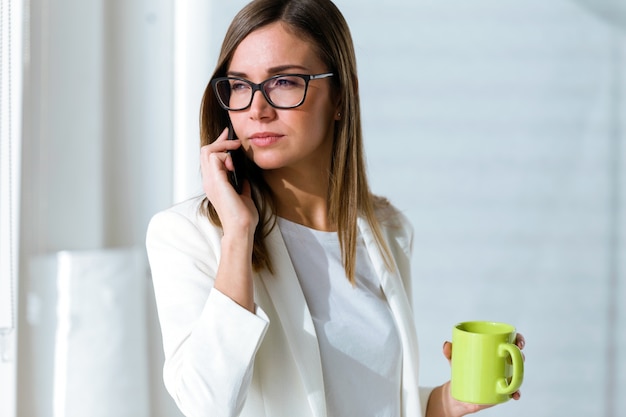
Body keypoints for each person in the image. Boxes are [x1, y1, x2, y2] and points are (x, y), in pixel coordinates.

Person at [146, 1, 525, 416]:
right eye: (239, 85)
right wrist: (238, 233)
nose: (256, 109)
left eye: (284, 82)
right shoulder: (187, 235)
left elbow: (370, 401)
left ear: (342, 96)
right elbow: (206, 405)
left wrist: (446, 404)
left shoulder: (387, 230)